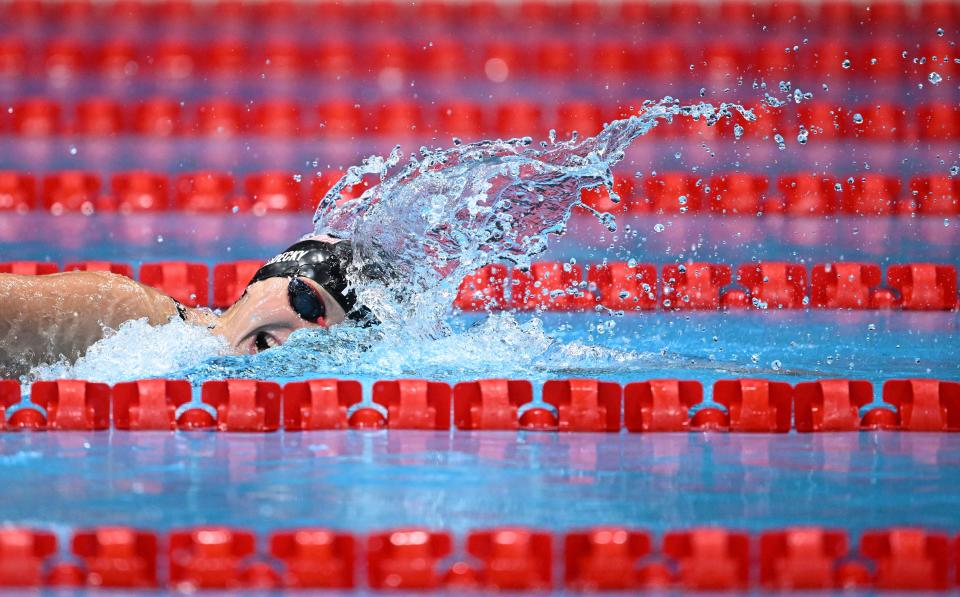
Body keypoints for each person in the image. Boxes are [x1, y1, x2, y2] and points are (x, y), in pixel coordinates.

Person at [0, 236, 371, 379]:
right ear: (263, 279)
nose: (303, 336)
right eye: (308, 303)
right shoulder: (122, 311)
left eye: (327, 340)